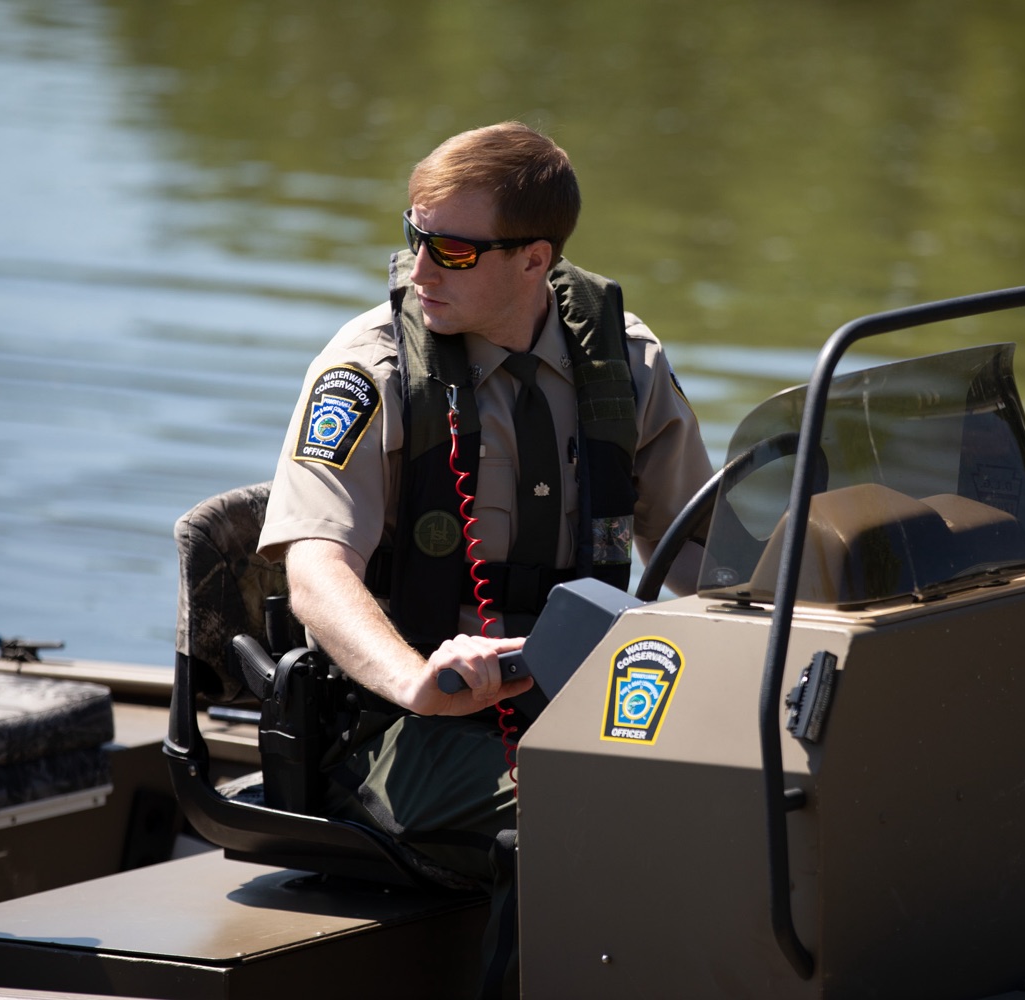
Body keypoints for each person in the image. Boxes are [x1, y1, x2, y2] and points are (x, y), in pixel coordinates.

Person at [255, 121, 713, 995]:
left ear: (535, 261)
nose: (420, 270)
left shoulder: (623, 364)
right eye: (414, 237)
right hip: (393, 732)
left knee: (766, 791)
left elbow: (702, 566)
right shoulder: (371, 370)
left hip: (580, 709)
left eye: (454, 252)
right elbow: (315, 573)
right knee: (581, 818)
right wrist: (417, 679)